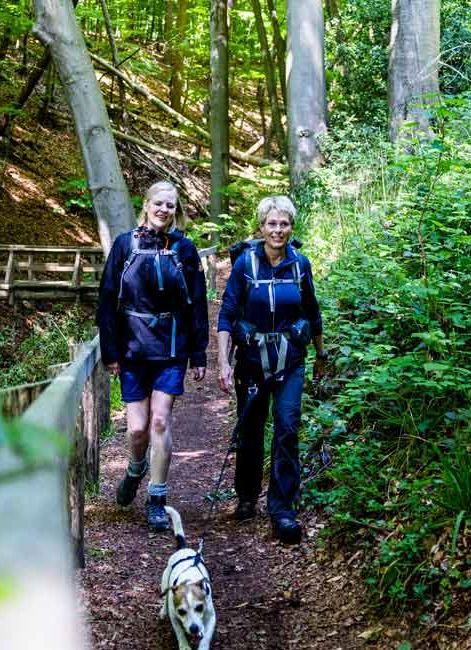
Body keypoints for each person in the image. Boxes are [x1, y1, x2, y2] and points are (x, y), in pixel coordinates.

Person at [97, 180, 209, 531]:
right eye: (158, 203)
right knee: (137, 430)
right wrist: (110, 351)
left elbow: (198, 304)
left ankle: (157, 498)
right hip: (133, 349)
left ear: (176, 211)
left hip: (171, 347)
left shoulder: (184, 249)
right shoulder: (124, 245)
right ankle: (135, 468)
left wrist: (199, 353)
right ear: (145, 205)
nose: (164, 210)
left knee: (160, 421)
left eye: (170, 205)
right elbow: (107, 300)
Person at [216, 196, 327, 544]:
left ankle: (282, 510)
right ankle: (247, 496)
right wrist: (222, 360)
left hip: (291, 360)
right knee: (250, 428)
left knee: (287, 426)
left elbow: (312, 310)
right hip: (251, 361)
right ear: (260, 227)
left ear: (291, 227)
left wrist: (321, 353)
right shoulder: (245, 265)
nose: (278, 230)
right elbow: (227, 315)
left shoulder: (300, 264)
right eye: (271, 224)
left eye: (284, 224)